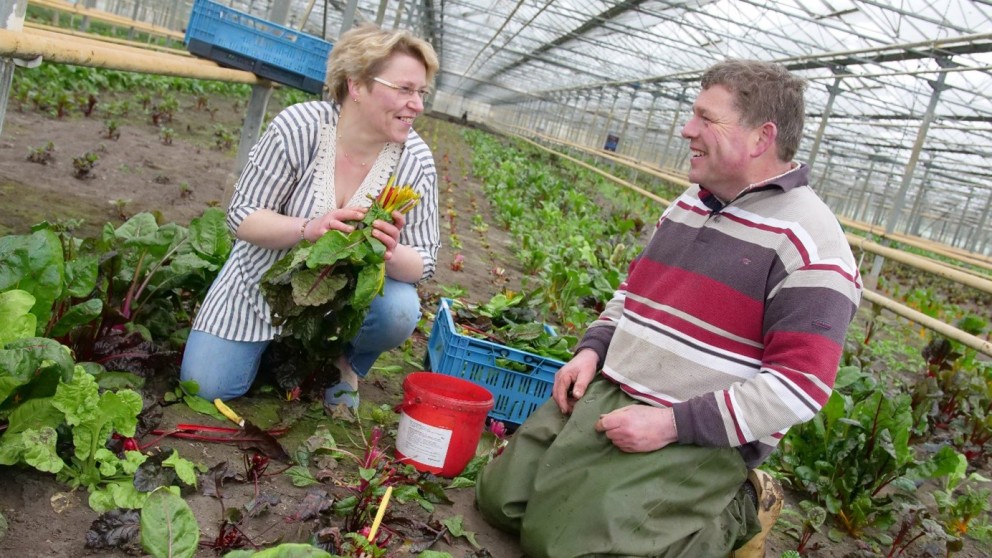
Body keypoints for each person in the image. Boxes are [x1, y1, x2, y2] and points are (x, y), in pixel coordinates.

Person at [476, 59, 863, 557]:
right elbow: (631, 293)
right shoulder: (691, 203)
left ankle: (740, 507)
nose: (687, 130)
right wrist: (591, 351)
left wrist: (672, 424)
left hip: (695, 431)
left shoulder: (812, 244)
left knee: (566, 547)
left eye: (706, 119)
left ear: (761, 138)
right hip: (614, 387)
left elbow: (800, 387)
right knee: (499, 501)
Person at [180, 23, 440, 412]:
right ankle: (272, 346)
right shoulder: (300, 128)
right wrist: (307, 229)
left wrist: (390, 251)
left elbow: (425, 260)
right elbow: (241, 216)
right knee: (205, 386)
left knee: (399, 310)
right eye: (404, 89)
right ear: (356, 84)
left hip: (341, 301)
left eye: (421, 92)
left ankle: (344, 360)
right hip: (263, 282)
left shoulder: (414, 160)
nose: (416, 104)